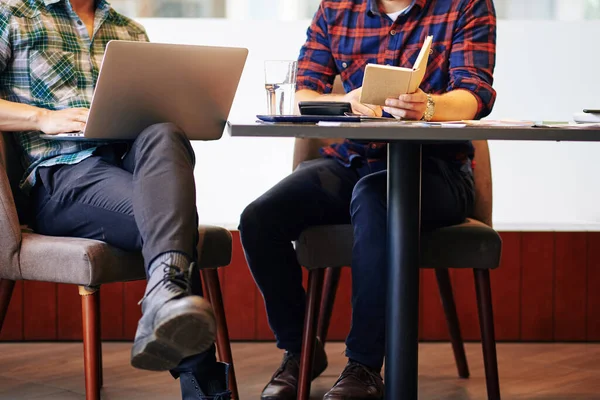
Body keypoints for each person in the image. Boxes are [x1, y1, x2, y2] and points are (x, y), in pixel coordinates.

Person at [239, 0, 497, 398]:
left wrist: (427, 106)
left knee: (375, 196)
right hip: (354, 160)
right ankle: (300, 349)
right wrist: (347, 103)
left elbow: (474, 93)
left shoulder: (465, 5)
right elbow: (303, 89)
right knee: (260, 218)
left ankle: (363, 367)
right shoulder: (337, 8)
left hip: (438, 170)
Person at [0, 0, 229, 398]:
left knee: (164, 131)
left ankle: (164, 298)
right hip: (60, 178)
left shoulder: (131, 33)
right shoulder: (14, 16)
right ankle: (205, 384)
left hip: (127, 169)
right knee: (171, 221)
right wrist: (41, 117)